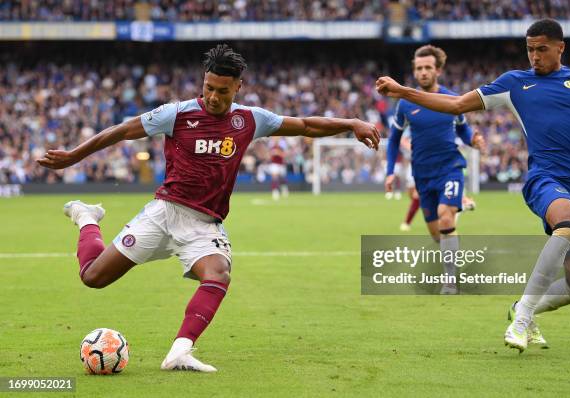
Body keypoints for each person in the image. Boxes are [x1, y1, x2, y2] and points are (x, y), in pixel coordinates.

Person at [37, 44, 380, 371]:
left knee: (218, 273)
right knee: (93, 277)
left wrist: (350, 124)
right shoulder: (177, 113)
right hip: (164, 213)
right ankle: (86, 217)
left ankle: (180, 351)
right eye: (209, 87)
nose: (214, 96)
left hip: (204, 225)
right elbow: (123, 130)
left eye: (223, 91)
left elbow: (305, 125)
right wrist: (73, 156)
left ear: (238, 88)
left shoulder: (250, 120)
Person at [376, 19, 570, 352]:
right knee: (567, 223)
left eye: (541, 49)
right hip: (545, 177)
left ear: (561, 47)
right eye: (529, 49)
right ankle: (521, 321)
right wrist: (402, 91)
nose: (534, 56)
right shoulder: (515, 83)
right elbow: (456, 104)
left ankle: (522, 309)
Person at [385, 45, 485, 294]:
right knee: (437, 233)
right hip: (422, 173)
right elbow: (394, 140)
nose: (423, 72)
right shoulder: (405, 104)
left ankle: (450, 281)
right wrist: (390, 171)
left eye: (428, 67)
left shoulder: (453, 99)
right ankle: (458, 209)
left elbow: (463, 129)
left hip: (450, 166)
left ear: (438, 70)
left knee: (445, 216)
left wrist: (473, 139)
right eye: (418, 68)